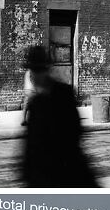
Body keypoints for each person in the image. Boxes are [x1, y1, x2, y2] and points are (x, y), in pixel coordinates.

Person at [21, 45, 99, 186]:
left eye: (39, 70)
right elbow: (30, 148)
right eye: (33, 70)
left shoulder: (64, 94)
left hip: (67, 173)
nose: (34, 75)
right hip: (43, 177)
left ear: (47, 70)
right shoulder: (36, 103)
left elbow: (75, 133)